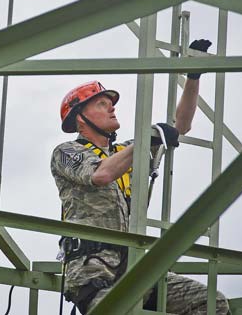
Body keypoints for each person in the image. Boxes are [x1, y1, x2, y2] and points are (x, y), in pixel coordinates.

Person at [51, 39, 230, 314]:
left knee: (211, 303)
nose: (112, 108)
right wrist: (147, 139)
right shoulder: (66, 152)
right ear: (79, 119)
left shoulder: (128, 151)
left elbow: (179, 126)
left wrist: (193, 76)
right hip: (93, 270)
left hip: (135, 267)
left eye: (110, 103)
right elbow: (101, 174)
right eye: (102, 104)